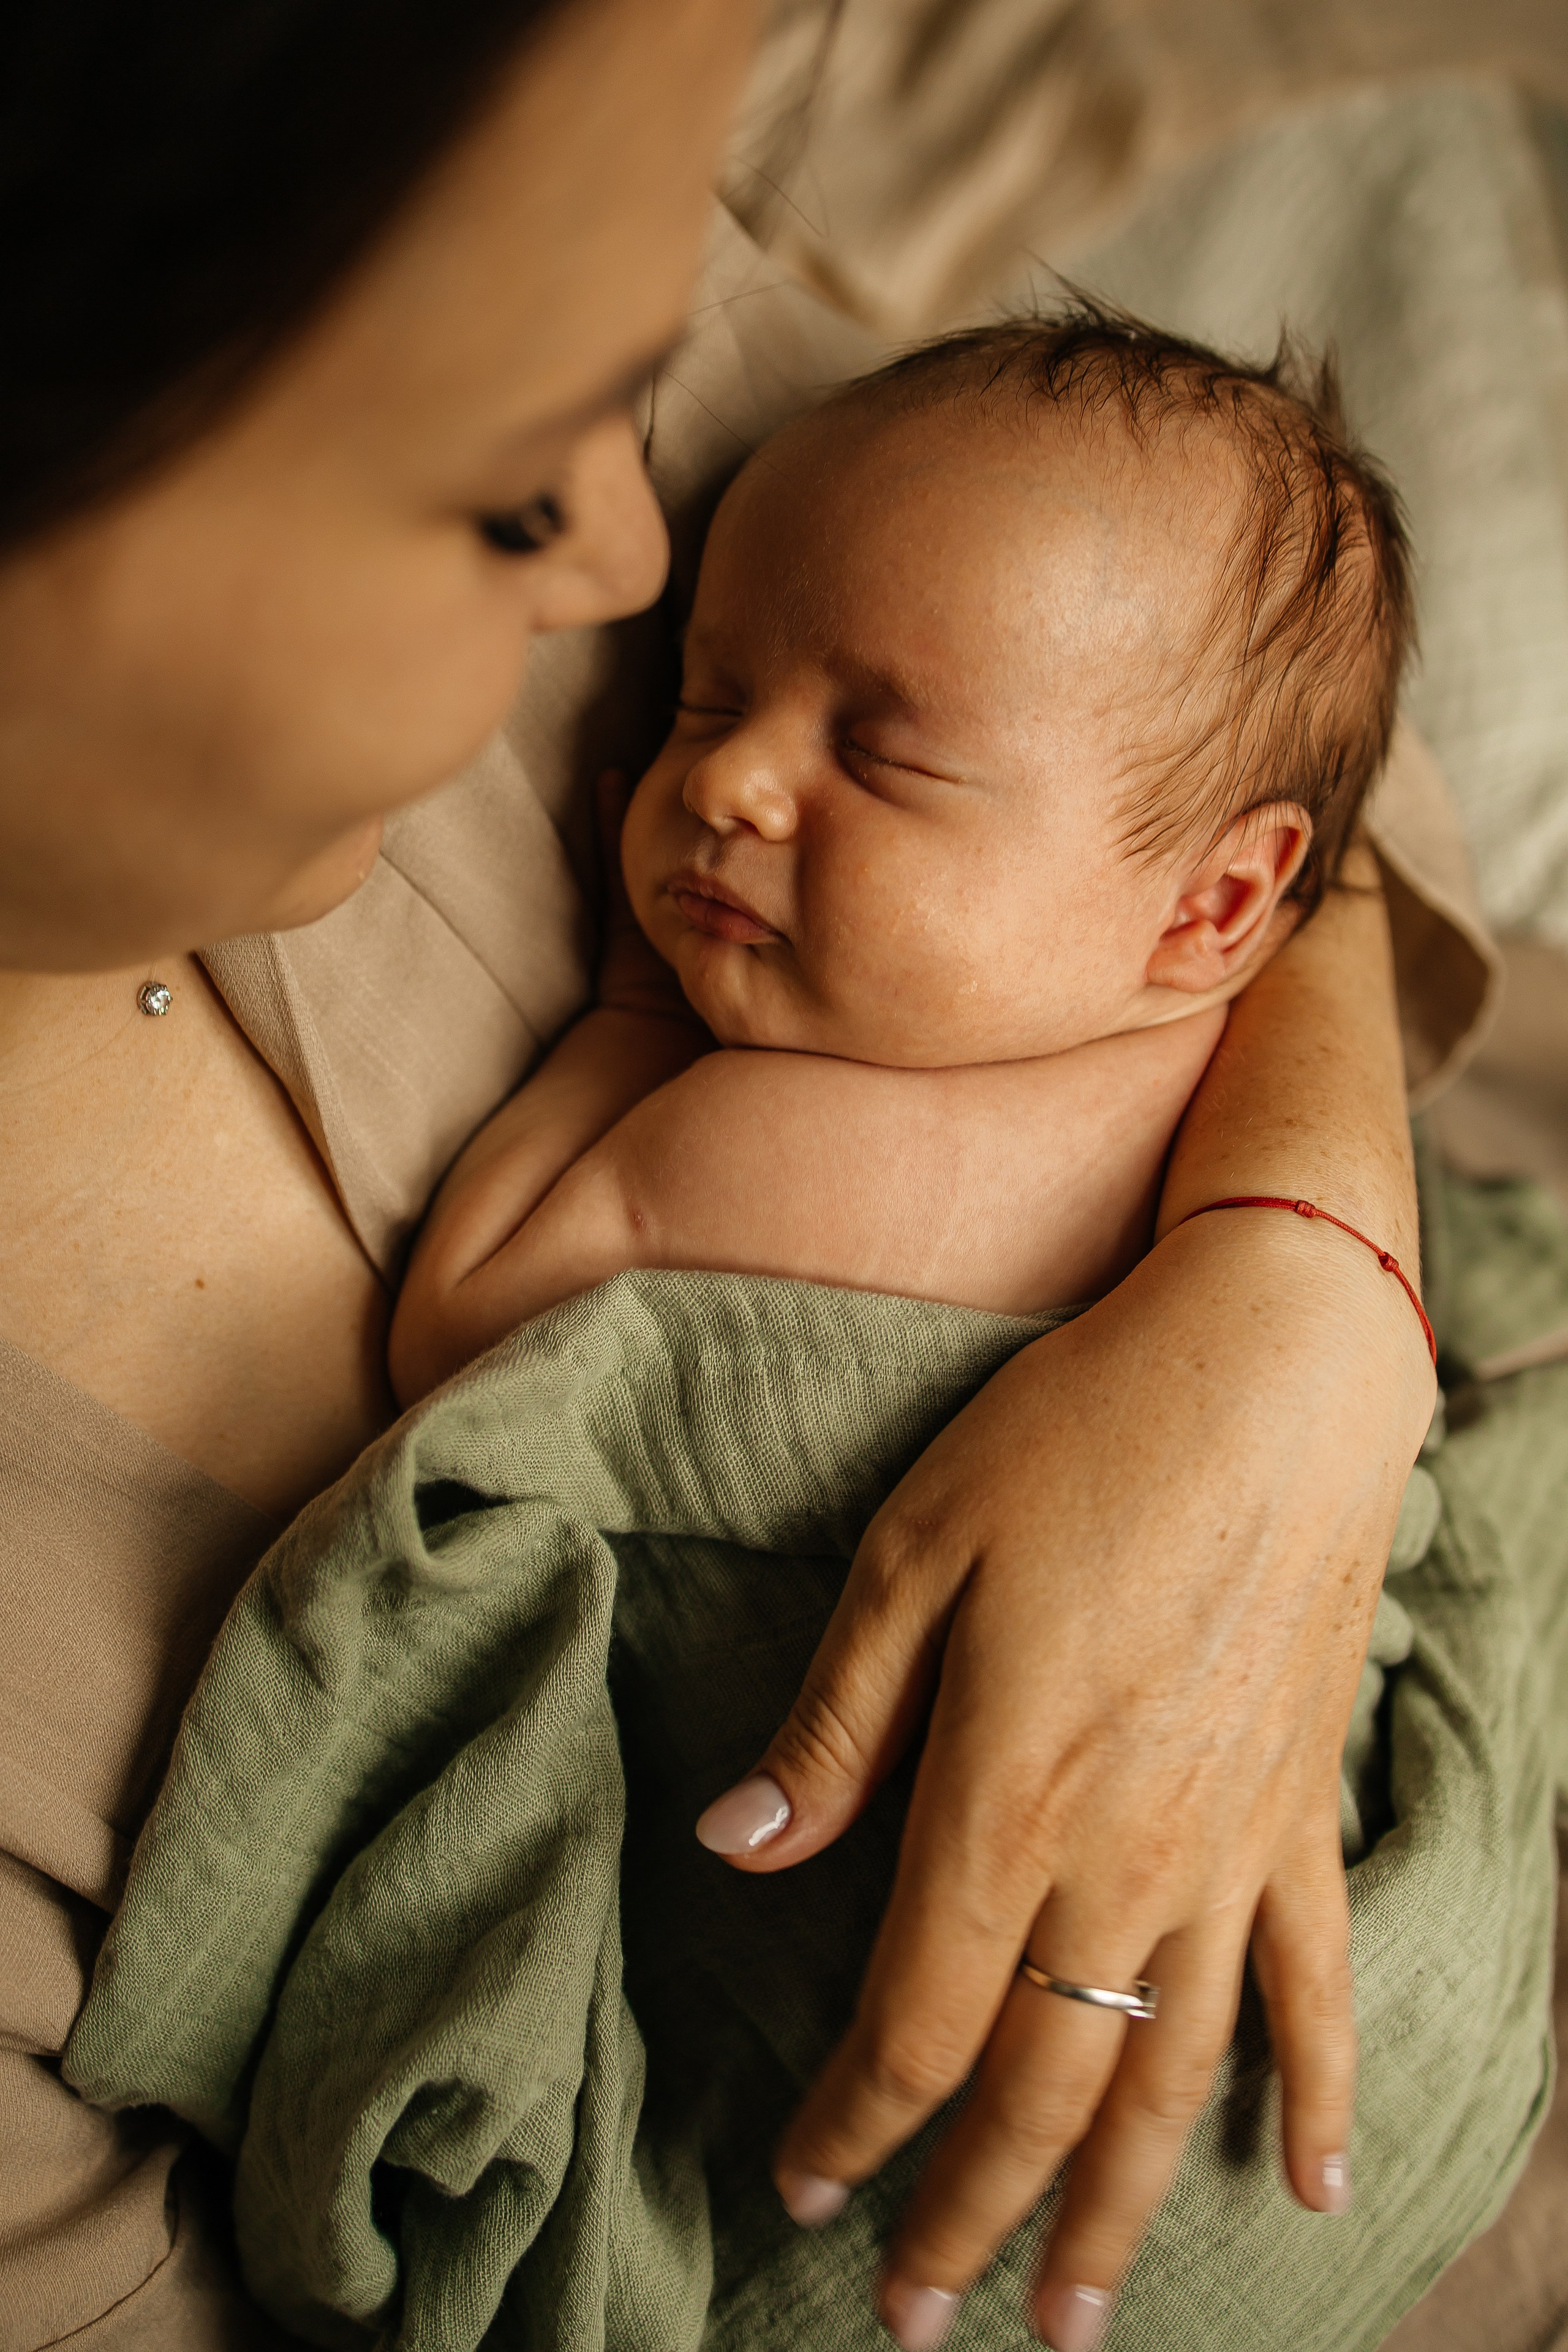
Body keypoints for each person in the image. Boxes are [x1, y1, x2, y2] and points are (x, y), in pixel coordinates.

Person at [0, 2, 1456, 2346]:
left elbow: (1292, 753)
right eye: (497, 492)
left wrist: (1304, 1296)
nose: (620, 554)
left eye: (874, 749)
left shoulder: (580, 260)